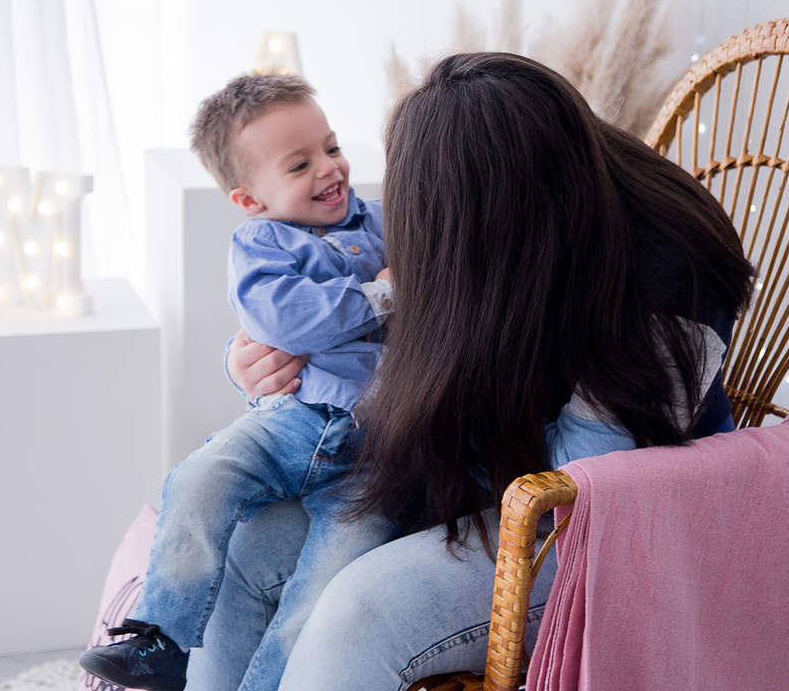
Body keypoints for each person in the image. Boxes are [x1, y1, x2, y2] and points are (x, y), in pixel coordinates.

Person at [186, 52, 757, 690]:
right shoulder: (497, 205)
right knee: (253, 542)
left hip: (598, 523)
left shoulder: (665, 279)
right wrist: (260, 362)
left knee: (357, 611)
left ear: (505, 214)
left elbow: (579, 489)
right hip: (482, 463)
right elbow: (366, 316)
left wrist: (440, 396)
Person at [80, 73, 396, 691]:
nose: (330, 170)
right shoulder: (260, 243)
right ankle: (161, 640)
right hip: (294, 420)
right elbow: (286, 319)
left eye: (331, 148)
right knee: (200, 476)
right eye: (301, 163)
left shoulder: (386, 221)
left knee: (324, 586)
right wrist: (383, 295)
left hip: (379, 442)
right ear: (250, 199)